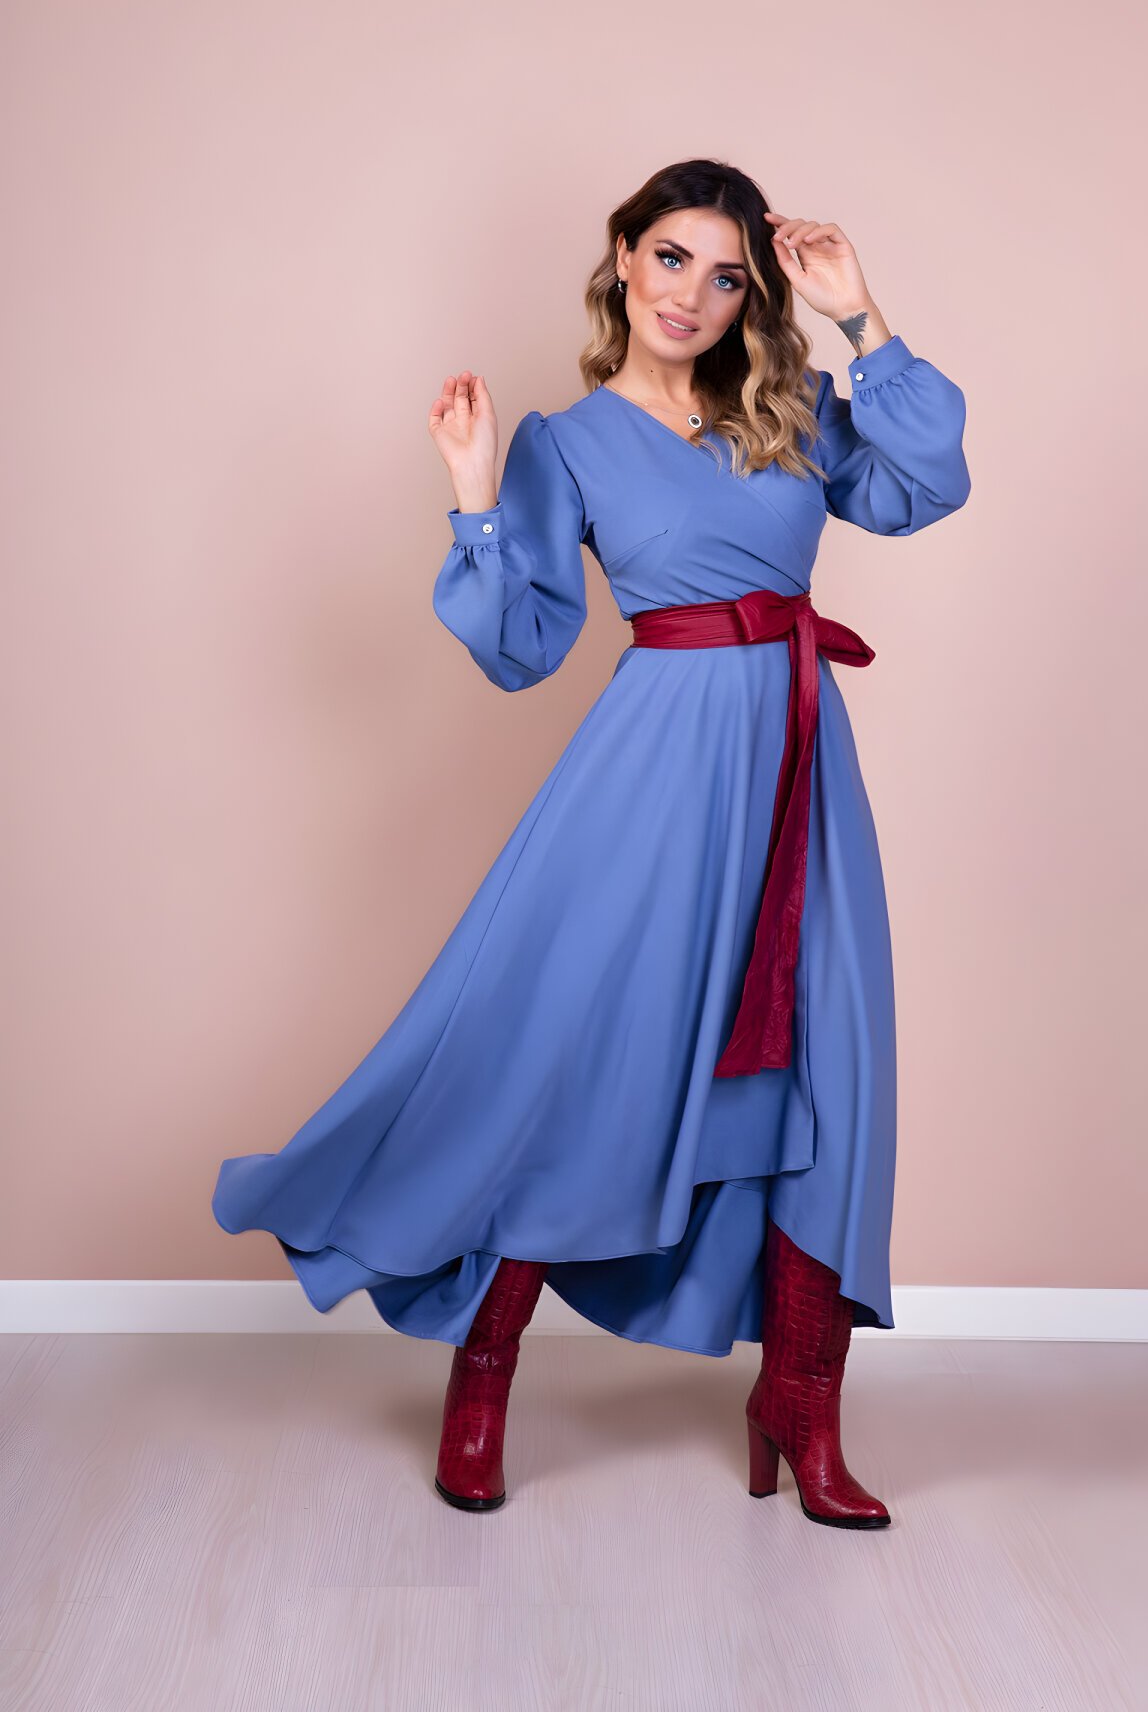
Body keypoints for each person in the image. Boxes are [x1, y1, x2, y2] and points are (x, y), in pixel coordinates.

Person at [212, 157, 970, 1532]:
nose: (693, 296)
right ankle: (483, 1374)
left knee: (832, 1074)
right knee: (578, 1066)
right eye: (672, 258)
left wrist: (862, 319)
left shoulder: (790, 409)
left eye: (727, 276)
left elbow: (925, 484)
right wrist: (475, 498)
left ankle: (803, 1403)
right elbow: (522, 647)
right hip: (653, 778)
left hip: (800, 768)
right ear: (624, 258)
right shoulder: (564, 443)